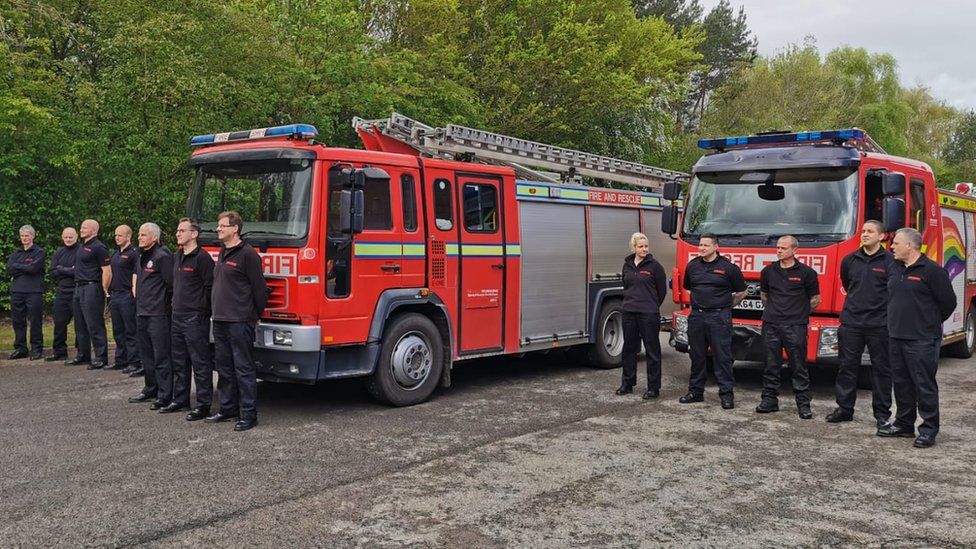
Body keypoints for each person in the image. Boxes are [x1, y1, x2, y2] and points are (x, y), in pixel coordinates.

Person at [877, 228, 955, 448]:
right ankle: (903, 424)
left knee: (924, 385)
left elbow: (948, 303)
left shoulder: (933, 271)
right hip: (896, 336)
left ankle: (928, 429)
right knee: (901, 384)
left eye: (897, 243)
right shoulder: (894, 268)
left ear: (910, 246)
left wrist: (927, 323)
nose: (892, 247)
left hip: (922, 340)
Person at [827, 220, 894, 427]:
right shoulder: (849, 260)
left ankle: (882, 414)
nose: (864, 234)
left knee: (881, 370)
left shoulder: (890, 261)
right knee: (847, 367)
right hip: (851, 323)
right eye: (863, 231)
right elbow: (848, 284)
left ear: (881, 236)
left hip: (879, 324)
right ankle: (845, 409)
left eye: (870, 231)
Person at [207, 211, 267, 431]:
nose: (218, 229)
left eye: (222, 226)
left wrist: (255, 315)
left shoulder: (248, 255)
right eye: (218, 226)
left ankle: (249, 415)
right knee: (224, 368)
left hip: (240, 320)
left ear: (235, 229)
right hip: (221, 319)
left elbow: (259, 289)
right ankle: (227, 409)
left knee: (243, 368)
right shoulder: (223, 252)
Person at [756, 235, 821, 419]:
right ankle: (769, 400)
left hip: (795, 325)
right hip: (771, 324)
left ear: (794, 250)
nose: (778, 251)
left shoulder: (807, 273)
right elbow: (764, 296)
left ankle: (803, 403)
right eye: (777, 248)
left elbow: (815, 300)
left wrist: (798, 314)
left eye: (783, 248)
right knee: (770, 364)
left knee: (798, 365)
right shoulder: (768, 271)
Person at [679, 233, 747, 409]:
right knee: (697, 356)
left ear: (716, 247)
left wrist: (725, 306)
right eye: (700, 245)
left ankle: (726, 395)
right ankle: (695, 392)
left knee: (722, 357)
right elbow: (688, 287)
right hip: (697, 317)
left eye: (706, 245)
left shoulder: (728, 268)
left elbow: (742, 291)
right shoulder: (692, 266)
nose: (701, 248)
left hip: (719, 318)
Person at [167, 218, 214, 419]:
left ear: (194, 234)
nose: (178, 234)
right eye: (177, 230)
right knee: (179, 361)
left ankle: (203, 405)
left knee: (200, 363)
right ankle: (180, 400)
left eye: (182, 230)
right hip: (177, 316)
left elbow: (210, 287)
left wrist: (201, 310)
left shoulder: (202, 258)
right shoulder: (178, 255)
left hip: (195, 318)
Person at [615, 232, 667, 400]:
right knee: (629, 349)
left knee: (652, 351)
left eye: (646, 246)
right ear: (633, 247)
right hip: (629, 312)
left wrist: (651, 306)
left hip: (648, 314)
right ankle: (627, 384)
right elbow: (626, 285)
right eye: (641, 246)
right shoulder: (627, 265)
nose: (644, 249)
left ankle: (653, 388)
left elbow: (661, 291)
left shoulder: (655, 266)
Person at [127, 223, 173, 409]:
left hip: (158, 314)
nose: (139, 237)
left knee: (161, 355)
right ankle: (150, 387)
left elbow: (171, 285)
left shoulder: (162, 257)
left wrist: (164, 306)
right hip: (142, 312)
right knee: (146, 355)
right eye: (139, 234)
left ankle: (165, 393)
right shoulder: (140, 255)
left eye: (144, 235)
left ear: (154, 237)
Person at [71, 219, 111, 368]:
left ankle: (101, 357)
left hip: (91, 287)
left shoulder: (99, 247)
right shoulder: (82, 247)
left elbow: (107, 270)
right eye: (81, 227)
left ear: (94, 231)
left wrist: (103, 288)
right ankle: (83, 354)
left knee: (94, 324)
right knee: (80, 324)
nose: (81, 230)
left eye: (85, 228)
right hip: (78, 287)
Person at [6, 225, 46, 360]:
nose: (24, 238)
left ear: (33, 236)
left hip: (34, 291)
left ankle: (36, 348)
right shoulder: (16, 253)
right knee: (18, 321)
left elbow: (34, 268)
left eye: (27, 236)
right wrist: (24, 267)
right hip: (17, 290)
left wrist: (18, 266)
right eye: (22, 236)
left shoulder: (39, 252)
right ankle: (21, 348)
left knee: (35, 321)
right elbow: (9, 269)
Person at [108, 225, 141, 374]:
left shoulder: (134, 254)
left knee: (130, 330)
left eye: (120, 235)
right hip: (115, 295)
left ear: (128, 236)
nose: (117, 238)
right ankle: (120, 359)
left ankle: (134, 361)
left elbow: (137, 273)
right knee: (118, 330)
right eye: (116, 235)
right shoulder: (115, 254)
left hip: (127, 295)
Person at [47, 227, 79, 362]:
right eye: (66, 237)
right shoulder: (59, 252)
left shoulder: (81, 251)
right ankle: (59, 352)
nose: (68, 239)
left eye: (71, 237)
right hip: (62, 291)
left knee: (80, 324)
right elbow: (53, 272)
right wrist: (68, 270)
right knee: (59, 323)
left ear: (76, 237)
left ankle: (82, 352)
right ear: (62, 237)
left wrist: (61, 269)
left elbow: (79, 271)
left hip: (77, 291)